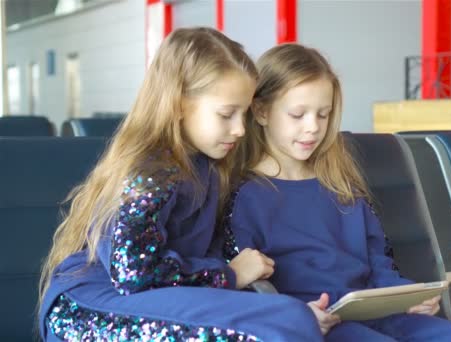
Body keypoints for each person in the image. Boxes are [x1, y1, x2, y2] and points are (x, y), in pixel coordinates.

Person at [38, 28, 323, 342]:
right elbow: (134, 273)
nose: (241, 129)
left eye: (243, 115)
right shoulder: (151, 170)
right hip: (95, 310)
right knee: (286, 322)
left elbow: (218, 256)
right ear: (178, 105)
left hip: (161, 297)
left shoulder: (209, 168)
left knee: (290, 316)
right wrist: (230, 275)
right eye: (227, 114)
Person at [226, 43, 451, 341]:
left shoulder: (340, 183)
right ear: (261, 111)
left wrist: (405, 294)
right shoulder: (245, 196)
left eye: (323, 115)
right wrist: (297, 314)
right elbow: (253, 288)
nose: (313, 127)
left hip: (376, 312)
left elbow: (378, 260)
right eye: (298, 115)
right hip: (316, 321)